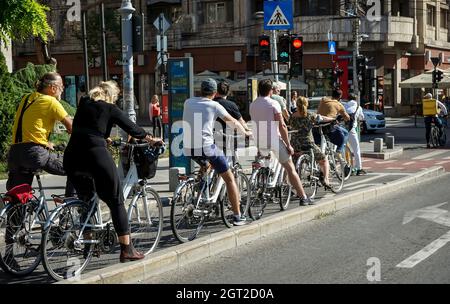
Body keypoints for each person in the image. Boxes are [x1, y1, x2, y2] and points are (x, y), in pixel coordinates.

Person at [63, 80, 163, 263]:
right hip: (95, 154)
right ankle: (127, 250)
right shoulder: (110, 108)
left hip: (72, 156)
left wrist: (105, 137)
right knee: (116, 200)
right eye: (115, 97)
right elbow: (132, 128)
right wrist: (150, 139)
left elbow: (89, 126)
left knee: (87, 198)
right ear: (111, 96)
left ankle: (89, 244)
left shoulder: (84, 103)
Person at [183, 78, 252, 225]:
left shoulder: (188, 102)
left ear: (200, 90)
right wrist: (245, 132)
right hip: (207, 147)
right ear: (214, 93)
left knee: (205, 166)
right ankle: (238, 216)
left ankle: (200, 193)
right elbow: (232, 121)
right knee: (229, 178)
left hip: (189, 147)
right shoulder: (214, 105)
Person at [7, 72, 73, 194]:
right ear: (53, 88)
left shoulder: (27, 98)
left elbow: (30, 125)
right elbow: (71, 127)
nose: (62, 90)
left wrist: (45, 142)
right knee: (76, 167)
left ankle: (16, 211)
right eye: (61, 86)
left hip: (15, 153)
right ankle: (70, 204)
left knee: (18, 198)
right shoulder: (50, 101)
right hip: (34, 153)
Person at [250, 79, 312, 206]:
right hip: (273, 139)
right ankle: (303, 197)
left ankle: (263, 185)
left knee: (263, 163)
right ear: (270, 90)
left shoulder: (253, 104)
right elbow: (282, 125)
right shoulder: (273, 103)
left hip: (259, 139)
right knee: (290, 168)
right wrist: (288, 145)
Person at [289, 96, 334, 188]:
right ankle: (326, 179)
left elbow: (289, 125)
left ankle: (295, 186)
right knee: (324, 160)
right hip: (308, 144)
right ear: (307, 104)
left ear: (296, 105)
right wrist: (332, 119)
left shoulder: (292, 116)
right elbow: (322, 118)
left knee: (294, 165)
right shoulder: (310, 115)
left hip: (295, 144)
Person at [213, 81, 250, 153]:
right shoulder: (231, 105)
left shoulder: (210, 103)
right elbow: (241, 120)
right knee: (229, 160)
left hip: (212, 137)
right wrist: (246, 130)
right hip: (228, 138)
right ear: (228, 92)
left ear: (216, 91)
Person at [314, 89, 350, 157]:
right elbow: (347, 117)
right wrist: (347, 118)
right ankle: (338, 151)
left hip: (317, 126)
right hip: (328, 127)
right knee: (345, 133)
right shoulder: (339, 104)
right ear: (340, 96)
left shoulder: (323, 100)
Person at [344, 94, 366, 176]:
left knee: (345, 150)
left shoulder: (344, 106)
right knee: (356, 149)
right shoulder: (358, 107)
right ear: (355, 99)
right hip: (352, 130)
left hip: (343, 130)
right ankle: (359, 169)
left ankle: (347, 168)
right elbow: (362, 118)